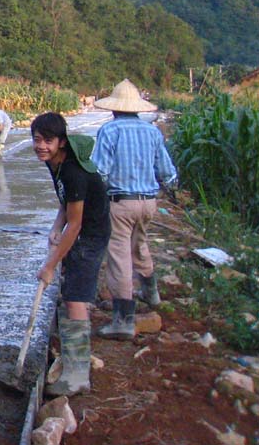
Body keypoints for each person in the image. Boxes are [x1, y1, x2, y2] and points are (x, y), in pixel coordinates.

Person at [91, 80, 177, 340]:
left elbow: (100, 171)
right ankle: (151, 292)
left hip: (121, 202)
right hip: (148, 203)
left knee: (119, 256)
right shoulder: (151, 132)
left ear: (114, 108)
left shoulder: (110, 130)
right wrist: (172, 189)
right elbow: (167, 171)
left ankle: (123, 320)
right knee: (139, 244)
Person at [31, 112, 110, 396]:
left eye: (48, 140)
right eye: (37, 139)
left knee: (76, 297)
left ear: (62, 142)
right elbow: (66, 205)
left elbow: (75, 225)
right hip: (81, 230)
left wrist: (51, 265)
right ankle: (73, 362)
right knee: (72, 293)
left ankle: (77, 376)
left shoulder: (75, 172)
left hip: (90, 236)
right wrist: (55, 227)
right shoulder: (56, 165)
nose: (41, 145)